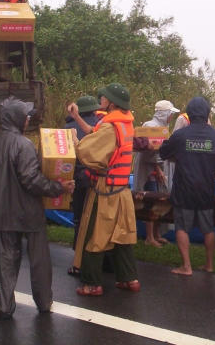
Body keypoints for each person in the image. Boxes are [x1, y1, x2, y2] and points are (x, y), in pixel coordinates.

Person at [0, 96, 75, 319]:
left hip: (3, 211)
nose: (28, 119)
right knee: (39, 260)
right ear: (16, 118)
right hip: (28, 211)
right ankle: (44, 302)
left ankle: (4, 305)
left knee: (7, 259)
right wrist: (58, 187)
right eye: (25, 116)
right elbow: (31, 180)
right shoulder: (24, 145)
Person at [73, 83, 140, 296]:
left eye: (104, 97)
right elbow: (94, 133)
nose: (100, 99)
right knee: (122, 235)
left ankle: (91, 284)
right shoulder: (125, 123)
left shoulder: (110, 127)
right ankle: (129, 279)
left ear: (112, 103)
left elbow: (89, 152)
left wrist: (75, 143)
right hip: (122, 191)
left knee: (95, 235)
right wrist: (76, 117)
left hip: (105, 190)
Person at [159, 96, 215, 275]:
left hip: (184, 190)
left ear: (189, 114)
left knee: (182, 227)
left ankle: (186, 266)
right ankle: (209, 265)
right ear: (207, 114)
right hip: (206, 190)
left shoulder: (180, 135)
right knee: (208, 229)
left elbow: (163, 152)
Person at [63, 95, 102, 276]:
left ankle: (78, 258)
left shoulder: (68, 128)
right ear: (94, 109)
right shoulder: (100, 126)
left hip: (78, 179)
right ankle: (98, 259)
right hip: (98, 179)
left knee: (79, 219)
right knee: (96, 220)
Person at [133, 99, 179, 247]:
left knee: (159, 199)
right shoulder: (150, 126)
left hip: (158, 169)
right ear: (164, 114)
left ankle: (157, 234)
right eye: (170, 114)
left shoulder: (163, 128)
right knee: (150, 201)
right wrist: (157, 168)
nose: (171, 117)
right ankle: (149, 237)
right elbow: (148, 152)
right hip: (149, 171)